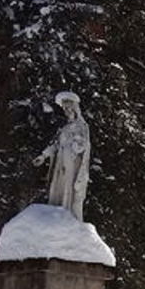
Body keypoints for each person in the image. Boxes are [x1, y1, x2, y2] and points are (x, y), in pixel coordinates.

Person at [35, 91, 91, 219]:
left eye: (69, 108)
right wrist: (43, 156)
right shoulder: (65, 128)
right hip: (61, 161)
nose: (67, 111)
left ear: (75, 108)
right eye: (64, 108)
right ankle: (58, 215)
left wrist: (76, 142)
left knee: (68, 187)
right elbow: (55, 145)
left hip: (72, 161)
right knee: (57, 187)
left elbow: (83, 146)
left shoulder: (81, 126)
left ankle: (68, 215)